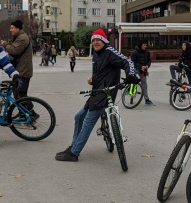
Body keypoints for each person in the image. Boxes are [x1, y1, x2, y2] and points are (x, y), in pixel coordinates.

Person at [55, 28, 139, 162]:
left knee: (88, 121)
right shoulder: (97, 54)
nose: (95, 42)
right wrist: (93, 79)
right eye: (93, 40)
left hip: (106, 93)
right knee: (78, 117)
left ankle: (74, 153)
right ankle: (73, 146)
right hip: (96, 91)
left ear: (104, 40)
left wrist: (131, 75)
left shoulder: (110, 52)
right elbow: (102, 72)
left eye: (98, 39)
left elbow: (127, 62)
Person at [1, 19, 33, 100]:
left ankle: (30, 111)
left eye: (12, 28)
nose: (10, 30)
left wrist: (5, 44)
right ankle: (23, 112)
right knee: (18, 94)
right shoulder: (18, 37)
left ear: (18, 28)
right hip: (21, 70)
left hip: (23, 71)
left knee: (20, 95)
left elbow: (14, 50)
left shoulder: (22, 38)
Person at [131, 39, 154, 105]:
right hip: (136, 69)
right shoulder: (135, 52)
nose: (145, 46)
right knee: (133, 81)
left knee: (144, 83)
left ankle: (146, 99)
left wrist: (147, 66)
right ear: (140, 45)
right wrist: (141, 66)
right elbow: (132, 62)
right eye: (144, 45)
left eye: (146, 45)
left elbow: (149, 61)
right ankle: (132, 96)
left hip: (143, 70)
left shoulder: (147, 52)